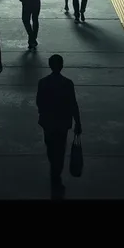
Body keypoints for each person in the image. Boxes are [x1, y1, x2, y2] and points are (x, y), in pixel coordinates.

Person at [36, 54, 82, 193]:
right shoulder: (67, 83)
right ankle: (57, 169)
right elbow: (73, 104)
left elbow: (39, 102)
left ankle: (53, 166)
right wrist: (78, 122)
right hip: (62, 122)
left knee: (50, 145)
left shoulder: (43, 82)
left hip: (48, 122)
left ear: (50, 65)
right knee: (61, 147)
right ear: (61, 66)